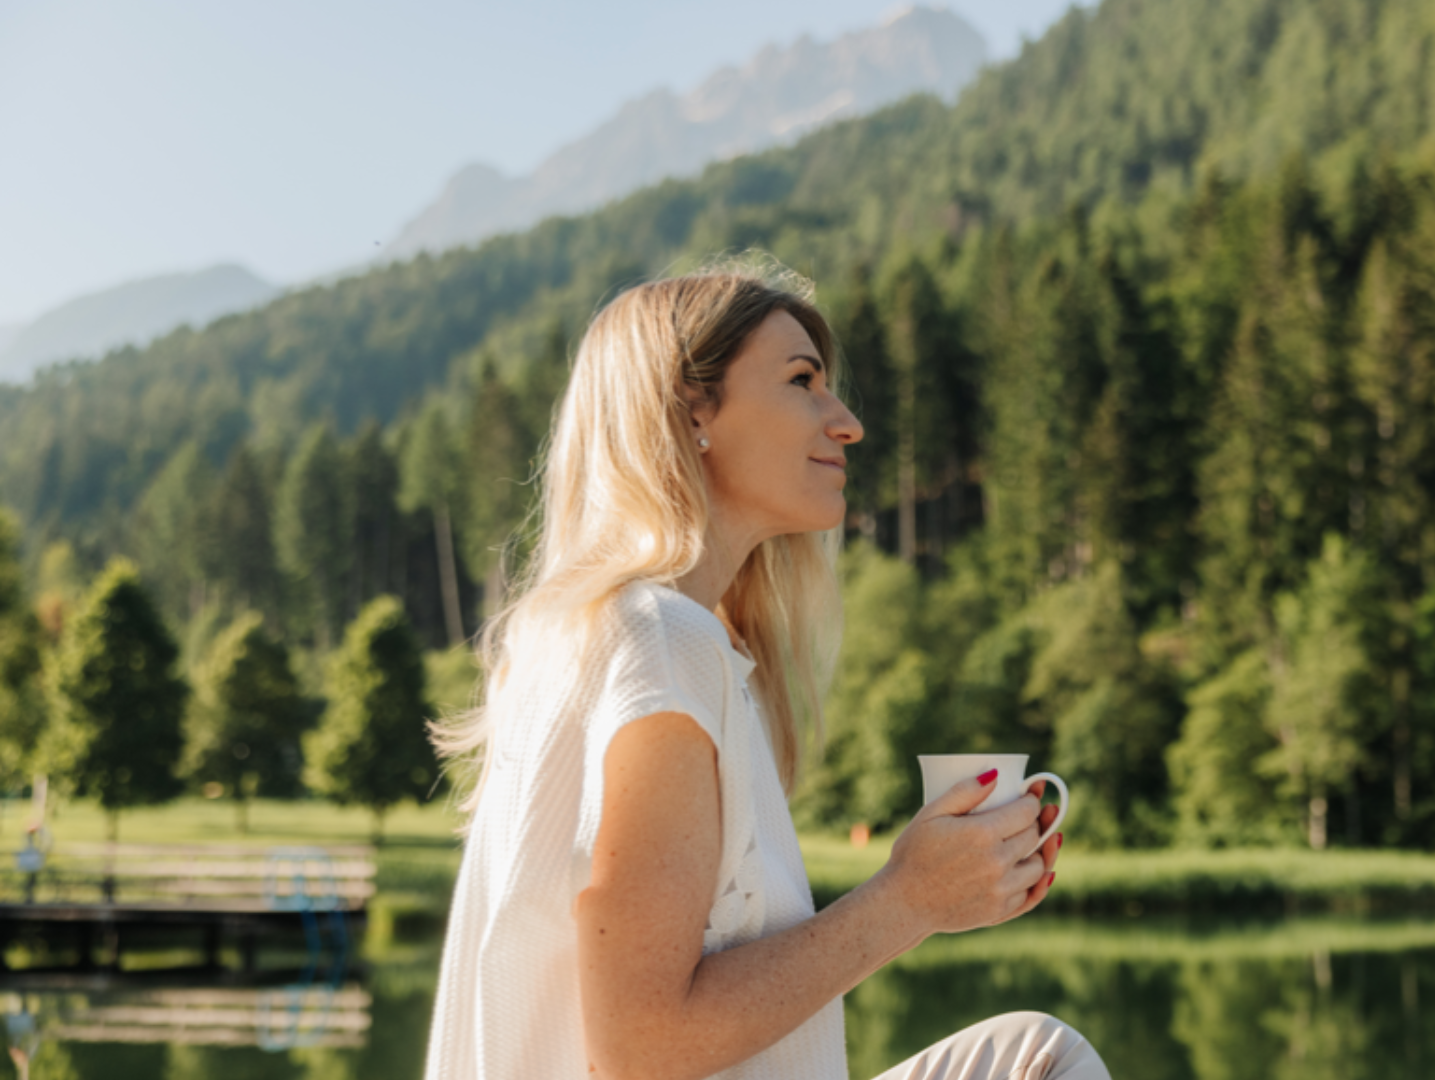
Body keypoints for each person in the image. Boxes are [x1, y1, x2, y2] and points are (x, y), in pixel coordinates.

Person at [424, 261, 1109, 1080]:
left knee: (1031, 1055)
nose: (847, 422)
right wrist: (906, 901)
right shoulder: (660, 640)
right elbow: (641, 1045)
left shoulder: (596, 638)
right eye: (802, 381)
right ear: (692, 409)